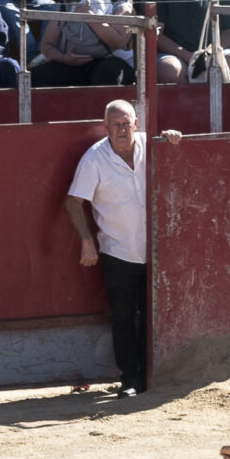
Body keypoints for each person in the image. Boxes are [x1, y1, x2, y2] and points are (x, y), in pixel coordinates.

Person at [65, 97, 162, 397]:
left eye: (127, 124)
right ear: (105, 127)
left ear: (136, 123)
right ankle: (130, 379)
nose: (122, 130)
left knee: (151, 317)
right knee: (123, 317)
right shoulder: (95, 158)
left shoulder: (152, 145)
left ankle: (151, 377)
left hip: (157, 251)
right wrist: (86, 239)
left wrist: (172, 138)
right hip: (117, 250)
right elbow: (73, 201)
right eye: (116, 125)